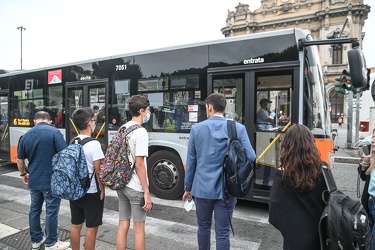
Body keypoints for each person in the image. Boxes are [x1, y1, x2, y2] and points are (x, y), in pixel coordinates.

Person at [182, 92, 256, 250]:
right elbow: (251, 156)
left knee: (203, 227)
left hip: (201, 189)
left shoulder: (196, 129)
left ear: (209, 107)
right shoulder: (238, 128)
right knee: (223, 233)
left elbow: (191, 162)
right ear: (223, 107)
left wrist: (188, 188)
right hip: (227, 190)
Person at [17, 111, 70, 250]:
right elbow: (64, 155)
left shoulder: (25, 135)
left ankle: (36, 240)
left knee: (34, 210)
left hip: (34, 180)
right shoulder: (54, 132)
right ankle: (51, 242)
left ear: (35, 121)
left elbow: (20, 160)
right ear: (50, 121)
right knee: (51, 210)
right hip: (51, 181)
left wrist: (23, 174)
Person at [269, 124, 327, 250]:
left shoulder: (282, 175)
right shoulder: (323, 170)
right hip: (320, 237)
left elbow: (274, 212)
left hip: (294, 240)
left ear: (287, 146)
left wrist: (290, 230)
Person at [116, 95, 153, 250]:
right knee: (139, 230)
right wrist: (146, 192)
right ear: (141, 111)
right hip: (136, 186)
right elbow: (139, 164)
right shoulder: (141, 132)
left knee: (123, 223)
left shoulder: (122, 128)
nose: (149, 113)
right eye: (148, 110)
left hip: (122, 183)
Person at [69, 107, 105, 250]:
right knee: (91, 228)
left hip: (75, 190)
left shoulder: (73, 141)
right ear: (90, 123)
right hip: (91, 192)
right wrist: (102, 189)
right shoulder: (94, 144)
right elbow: (98, 170)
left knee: (76, 225)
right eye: (94, 120)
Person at [359, 128, 375, 249]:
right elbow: (364, 177)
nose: (372, 140)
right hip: (370, 203)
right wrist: (365, 162)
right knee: (368, 237)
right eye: (373, 137)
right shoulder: (373, 157)